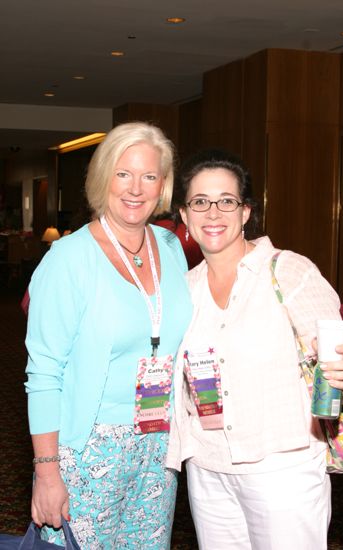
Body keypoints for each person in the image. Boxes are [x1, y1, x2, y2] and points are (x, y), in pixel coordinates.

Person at [166, 148, 343, 550]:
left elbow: (338, 353)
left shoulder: (290, 271)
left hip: (283, 469)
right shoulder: (184, 290)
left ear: (245, 212)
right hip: (208, 469)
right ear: (185, 217)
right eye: (200, 202)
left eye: (227, 201)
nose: (213, 213)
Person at [25, 122, 192, 549]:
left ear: (163, 185)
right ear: (103, 178)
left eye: (149, 176)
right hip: (88, 449)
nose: (136, 188)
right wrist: (47, 473)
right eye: (123, 173)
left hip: (158, 444)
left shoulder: (170, 248)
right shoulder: (68, 260)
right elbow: (44, 374)